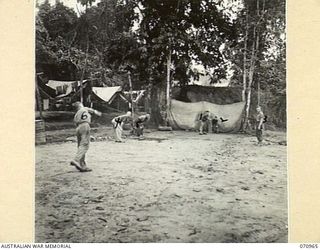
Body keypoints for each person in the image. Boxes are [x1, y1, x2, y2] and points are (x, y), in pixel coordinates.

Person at [70, 101, 102, 172]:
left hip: (78, 128)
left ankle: (82, 165)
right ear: (80, 105)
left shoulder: (76, 114)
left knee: (80, 146)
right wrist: (98, 113)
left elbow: (75, 123)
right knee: (85, 145)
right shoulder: (85, 108)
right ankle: (76, 160)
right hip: (85, 125)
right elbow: (95, 112)